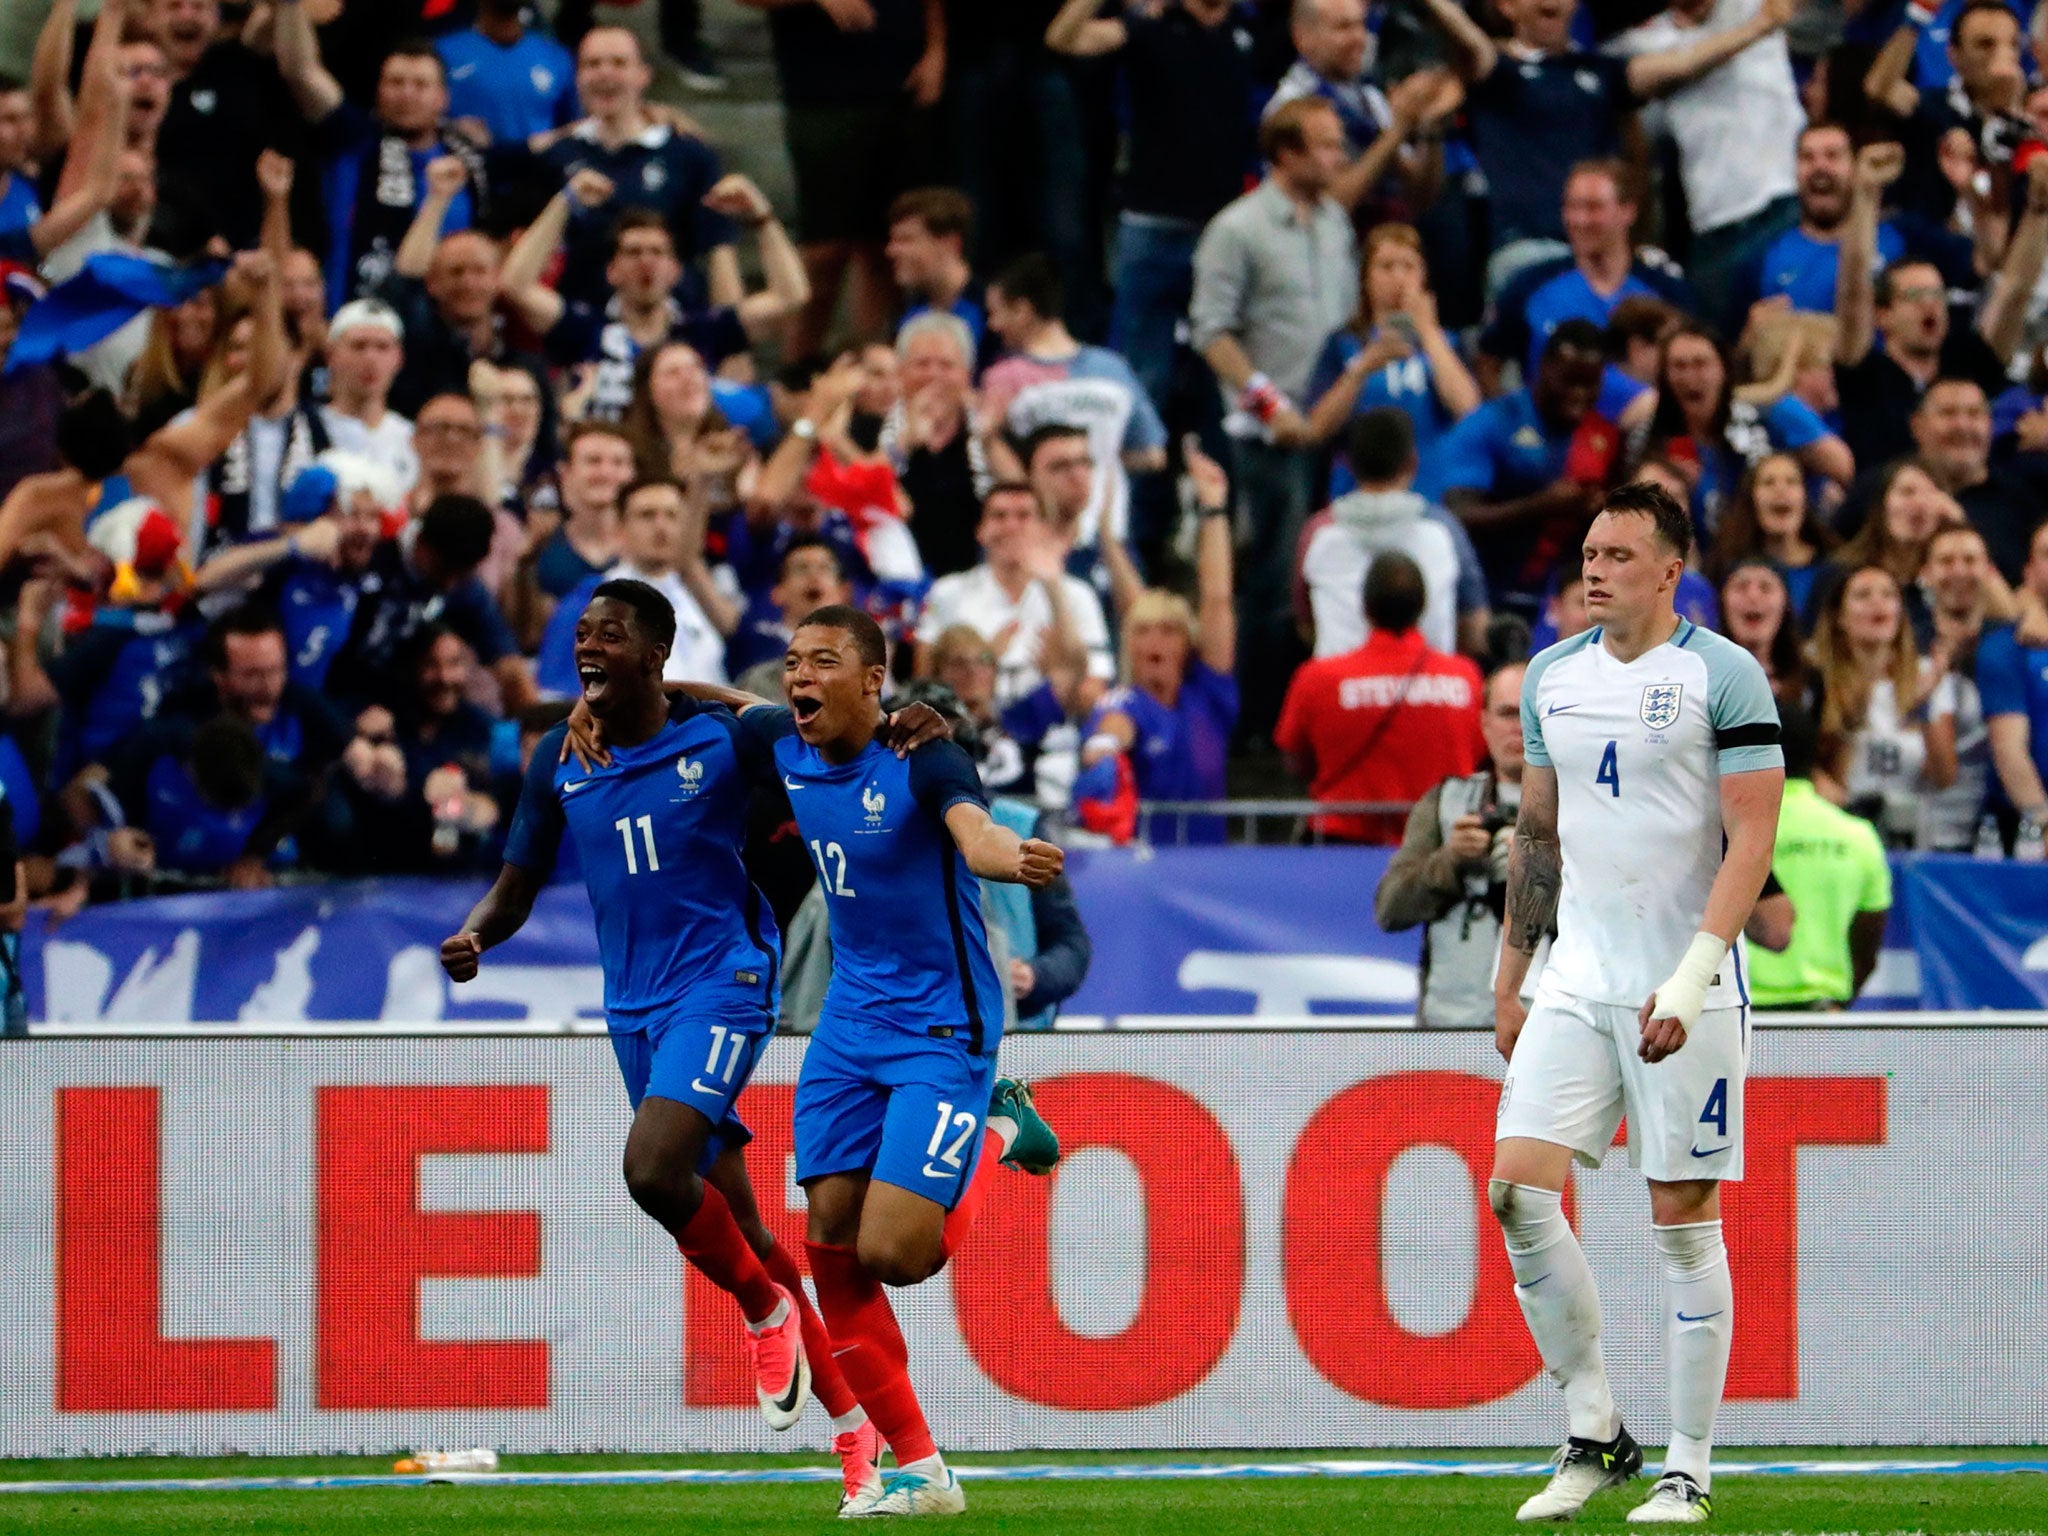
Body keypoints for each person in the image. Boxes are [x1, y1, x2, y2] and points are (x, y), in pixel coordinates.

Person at [442, 580, 876, 1504]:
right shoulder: (562, 759)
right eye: (582, 633)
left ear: (653, 655)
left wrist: (706, 695)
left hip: (724, 982)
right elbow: (516, 886)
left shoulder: (720, 739)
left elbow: (804, 720)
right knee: (745, 1227)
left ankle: (763, 1316)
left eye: (610, 634)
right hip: (632, 1011)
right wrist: (478, 933)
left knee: (650, 1171)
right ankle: (859, 1435)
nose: (587, 646)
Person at [685, 604, 1063, 1517]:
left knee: (896, 1253)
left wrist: (1012, 858)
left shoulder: (924, 756)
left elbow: (974, 836)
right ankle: (923, 1473)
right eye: (792, 661)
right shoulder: (787, 742)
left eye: (824, 661)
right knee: (831, 1255)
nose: (800, 677)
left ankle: (999, 1125)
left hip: (942, 1028)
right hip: (847, 1030)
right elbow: (729, 703)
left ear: (872, 680)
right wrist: (635, 690)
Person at [1493, 480, 1784, 1524]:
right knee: (1514, 1191)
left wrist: (1695, 974)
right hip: (1575, 974)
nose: (1593, 569)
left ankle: (1689, 1466)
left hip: (1684, 985)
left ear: (1669, 571)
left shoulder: (1722, 673)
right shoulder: (1549, 678)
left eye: (1617, 555)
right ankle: (1592, 1429)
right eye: (1586, 552)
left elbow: (1752, 835)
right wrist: (1511, 976)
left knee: (1679, 1220)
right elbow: (1535, 834)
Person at [1415, 0, 1797, 288]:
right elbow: (1462, 34)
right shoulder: (1498, 72)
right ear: (1507, 5)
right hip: (1529, 249)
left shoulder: (1602, 71)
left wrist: (1758, 27)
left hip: (1606, 256)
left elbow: (1683, 64)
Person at [1190, 96, 1359, 728]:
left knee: (1321, 571)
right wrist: (1270, 403)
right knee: (1273, 580)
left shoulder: (1335, 222)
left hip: (1332, 425)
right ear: (1286, 153)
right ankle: (1256, 722)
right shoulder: (1237, 229)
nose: (1338, 156)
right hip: (1267, 435)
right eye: (1325, 144)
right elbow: (1211, 331)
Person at [1045, 0, 1262, 425]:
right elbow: (1064, 39)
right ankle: (1137, 485)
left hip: (1224, 231)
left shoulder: (1247, 29)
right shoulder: (1148, 27)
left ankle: (1221, 485)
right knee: (1144, 379)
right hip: (1152, 225)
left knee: (1227, 384)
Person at [734, 0, 944, 360]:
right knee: (824, 250)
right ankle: (795, 372)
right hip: (822, 97)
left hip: (902, 87)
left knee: (884, 249)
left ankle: (872, 371)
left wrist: (937, 48)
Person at [1605, 0, 1805, 330]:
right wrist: (1757, 28)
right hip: (1713, 227)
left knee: (1796, 336)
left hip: (1784, 203)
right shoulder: (1644, 41)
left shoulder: (1751, 5)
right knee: (1718, 349)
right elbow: (1676, 69)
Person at [1076, 446, 1240, 845]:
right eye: (1143, 632)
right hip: (1146, 877)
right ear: (1128, 644)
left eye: (1169, 631)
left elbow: (1217, 599)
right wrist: (1105, 746)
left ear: (1188, 644)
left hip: (1212, 873)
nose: (1155, 642)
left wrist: (1214, 508)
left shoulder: (1208, 696)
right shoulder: (1124, 702)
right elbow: (1115, 729)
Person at [1275, 550, 1485, 845]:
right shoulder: (1466, 678)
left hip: (1341, 850)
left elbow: (1294, 760)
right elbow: (1478, 754)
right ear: (1423, 606)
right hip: (1440, 848)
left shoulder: (1318, 678)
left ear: (1365, 607)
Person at [1417, 318, 1610, 621]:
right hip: (1487, 599)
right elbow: (1456, 515)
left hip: (1565, 609)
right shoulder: (1492, 423)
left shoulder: (1603, 436)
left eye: (1590, 384)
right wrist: (1541, 506)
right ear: (1543, 368)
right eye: (1570, 381)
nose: (1579, 394)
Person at [536, 27, 738, 312]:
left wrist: (731, 338)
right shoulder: (556, 156)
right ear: (577, 77)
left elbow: (719, 247)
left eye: (619, 63)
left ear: (643, 75)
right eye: (592, 64)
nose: (605, 73)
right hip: (583, 328)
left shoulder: (689, 154)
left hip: (674, 326)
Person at [980, 254, 1167, 559]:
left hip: (1046, 540)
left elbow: (1003, 472)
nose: (993, 325)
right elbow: (1152, 454)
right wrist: (1100, 456)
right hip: (1110, 536)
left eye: (996, 313)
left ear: (1023, 311)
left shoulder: (1003, 379)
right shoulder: (1113, 369)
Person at [1375, 660, 1530, 1028]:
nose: (1520, 728)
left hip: (1548, 1027)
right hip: (1453, 1025)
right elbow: (1390, 909)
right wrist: (1451, 860)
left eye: (1531, 713)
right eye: (1507, 713)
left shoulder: (1579, 803)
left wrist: (1537, 875)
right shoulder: (1446, 802)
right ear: (1484, 723)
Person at [1480, 162, 1698, 390]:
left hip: (1645, 421)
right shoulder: (1529, 286)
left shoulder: (1667, 292)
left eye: (1594, 208)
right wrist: (1517, 421)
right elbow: (1488, 362)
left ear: (1628, 211)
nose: (1580, 220)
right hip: (1557, 423)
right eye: (1572, 207)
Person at [1305, 224, 1481, 497]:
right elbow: (1317, 428)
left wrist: (1428, 333)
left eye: (1409, 267)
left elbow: (1468, 409)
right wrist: (1361, 368)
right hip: (1355, 495)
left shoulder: (1449, 343)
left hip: (1432, 495)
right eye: (1386, 267)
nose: (1398, 277)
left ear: (1423, 276)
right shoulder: (1344, 344)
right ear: (1366, 278)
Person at [1295, 408, 1486, 659]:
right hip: (1431, 690)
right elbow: (1476, 629)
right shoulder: (1444, 531)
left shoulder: (1318, 532)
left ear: (1349, 465)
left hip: (1339, 690)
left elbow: (1305, 626)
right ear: (1412, 463)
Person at [914, 482, 1113, 713]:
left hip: (1056, 737)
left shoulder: (1077, 596)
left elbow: (1094, 700)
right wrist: (986, 661)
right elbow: (923, 687)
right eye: (999, 516)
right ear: (980, 530)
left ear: (1044, 529)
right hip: (966, 732)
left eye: (1024, 516)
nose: (1010, 526)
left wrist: (1060, 677)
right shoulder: (948, 592)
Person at [1648, 322, 1854, 539]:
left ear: (1724, 370)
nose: (1690, 377)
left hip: (1774, 549)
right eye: (1679, 366)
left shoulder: (1770, 413)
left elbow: (1842, 466)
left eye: (1700, 364)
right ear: (1664, 376)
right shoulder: (1650, 437)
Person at [1747, 702, 1891, 1009]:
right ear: (1816, 755)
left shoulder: (1730, 830)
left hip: (1741, 1014)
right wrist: (1843, 1000)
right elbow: (1867, 947)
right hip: (1823, 1016)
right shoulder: (1857, 835)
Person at [536, 476, 737, 694]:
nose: (662, 526)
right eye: (647, 515)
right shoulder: (589, 600)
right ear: (620, 528)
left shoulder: (701, 596)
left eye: (672, 515)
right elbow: (554, 694)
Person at [1808, 564, 1957, 845]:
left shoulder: (1927, 674)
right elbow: (1822, 774)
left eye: (1888, 595)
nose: (1877, 602)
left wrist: (1922, 705)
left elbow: (1944, 776)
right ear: (1839, 616)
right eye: (1863, 595)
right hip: (1842, 833)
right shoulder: (1818, 677)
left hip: (1912, 837)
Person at [1976, 520, 2048, 855]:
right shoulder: (2005, 648)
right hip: (2025, 832)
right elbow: (2009, 750)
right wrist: (2043, 822)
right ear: (2029, 572)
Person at [1706, 453, 1837, 618]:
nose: (1780, 490)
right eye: (1768, 482)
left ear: (1805, 497)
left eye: (1791, 482)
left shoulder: (1832, 566)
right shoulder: (1727, 567)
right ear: (1752, 499)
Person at [436, 0, 580, 148]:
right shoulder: (444, 53)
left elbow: (577, 126)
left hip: (543, 164)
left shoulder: (555, 55)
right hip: (470, 162)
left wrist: (550, 140)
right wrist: (452, 128)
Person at [319, 299, 419, 496]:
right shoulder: (309, 429)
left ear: (399, 358)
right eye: (359, 346)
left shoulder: (411, 438)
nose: (370, 359)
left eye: (382, 347)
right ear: (331, 355)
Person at [886, 188, 985, 355]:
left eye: (906, 240)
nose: (891, 250)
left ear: (949, 244)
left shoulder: (990, 314)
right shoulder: (907, 312)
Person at [1718, 558, 1812, 708]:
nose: (1753, 596)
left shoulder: (1812, 681)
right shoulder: (1699, 678)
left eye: (1766, 588)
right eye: (1741, 587)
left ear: (1786, 604)